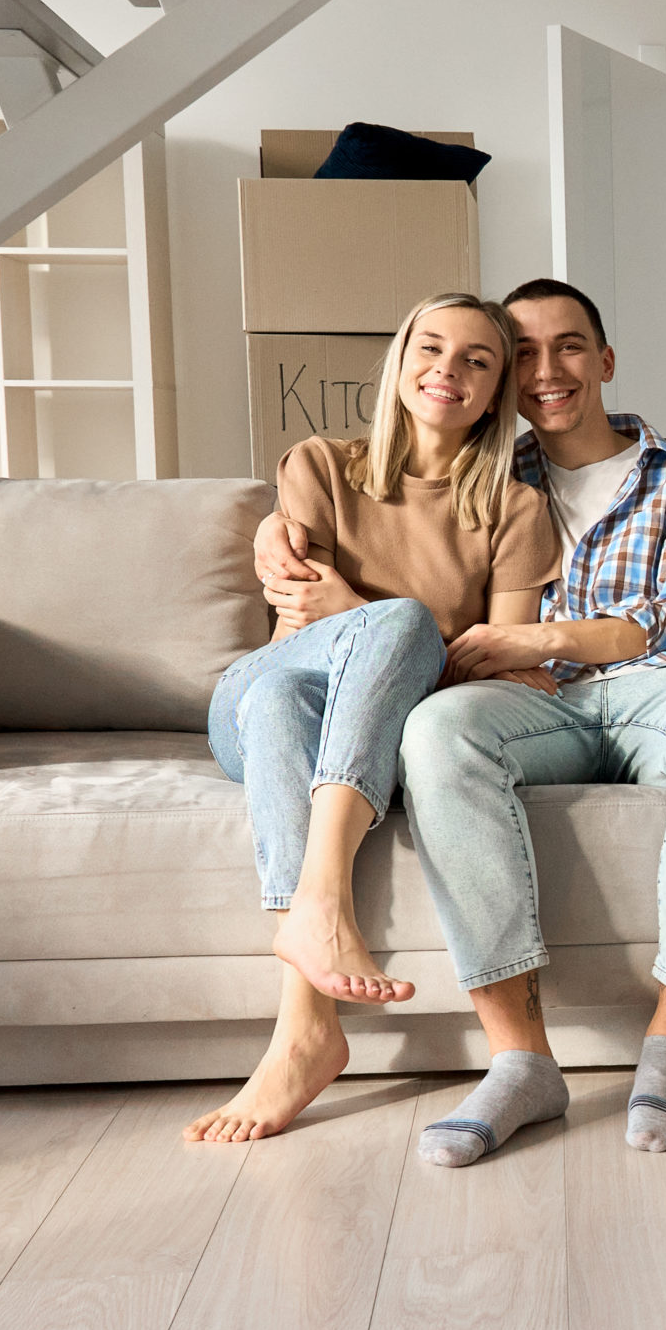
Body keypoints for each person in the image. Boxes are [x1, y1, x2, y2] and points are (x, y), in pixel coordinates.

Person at [252, 278, 666, 1167]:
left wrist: (553, 633)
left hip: (665, 686)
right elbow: (378, 502)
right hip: (535, 700)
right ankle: (520, 1058)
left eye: (568, 346)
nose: (546, 370)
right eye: (524, 353)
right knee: (435, 732)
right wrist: (277, 520)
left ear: (605, 360)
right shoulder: (485, 470)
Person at [186, 292, 559, 1145]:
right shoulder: (319, 465)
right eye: (431, 348)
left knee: (342, 666)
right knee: (322, 666)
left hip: (328, 717)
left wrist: (361, 605)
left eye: (477, 360)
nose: (448, 370)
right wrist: (396, 621)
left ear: (498, 388)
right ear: (399, 362)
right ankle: (321, 903)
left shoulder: (515, 509)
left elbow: (493, 658)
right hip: (253, 694)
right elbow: (296, 628)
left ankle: (305, 1033)